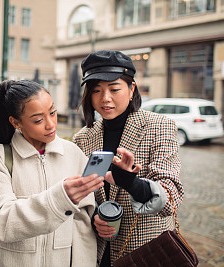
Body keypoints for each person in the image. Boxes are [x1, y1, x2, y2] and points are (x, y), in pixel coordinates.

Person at [73, 50, 184, 266]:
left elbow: (170, 199)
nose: (105, 99)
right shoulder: (83, 138)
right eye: (96, 90)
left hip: (147, 252)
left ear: (132, 88)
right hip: (100, 253)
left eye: (114, 89)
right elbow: (83, 197)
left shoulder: (159, 126)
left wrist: (131, 183)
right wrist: (95, 216)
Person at [0, 80, 103, 266]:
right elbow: (2, 222)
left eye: (52, 112)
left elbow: (82, 225)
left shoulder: (73, 153)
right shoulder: (0, 156)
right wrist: (59, 198)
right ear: (16, 122)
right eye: (38, 120)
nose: (50, 124)